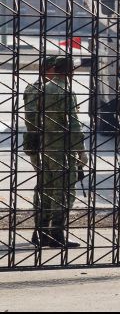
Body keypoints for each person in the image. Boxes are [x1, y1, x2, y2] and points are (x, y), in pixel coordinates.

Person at [38, 56, 86, 248]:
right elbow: (73, 124)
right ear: (70, 71)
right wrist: (81, 150)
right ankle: (57, 234)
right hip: (62, 149)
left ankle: (42, 232)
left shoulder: (44, 88)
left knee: (48, 190)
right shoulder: (66, 91)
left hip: (47, 146)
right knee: (65, 191)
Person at [23, 55, 58, 247]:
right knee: (46, 187)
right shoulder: (37, 89)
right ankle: (41, 231)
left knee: (52, 187)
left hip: (51, 144)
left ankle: (46, 231)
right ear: (47, 70)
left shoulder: (53, 89)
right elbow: (32, 118)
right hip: (41, 145)